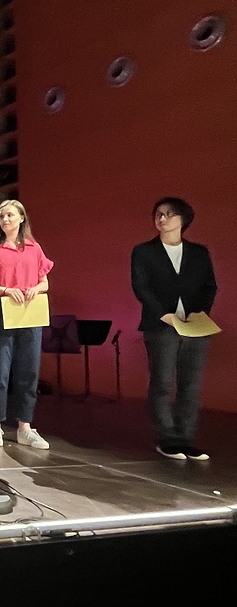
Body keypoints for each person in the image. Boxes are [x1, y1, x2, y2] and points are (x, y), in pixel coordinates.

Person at [130, 197, 217, 461]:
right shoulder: (144, 252)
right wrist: (164, 314)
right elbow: (141, 287)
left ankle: (185, 438)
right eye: (159, 214)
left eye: (169, 214)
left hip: (195, 326)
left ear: (183, 219)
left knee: (191, 384)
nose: (162, 218)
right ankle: (167, 439)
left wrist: (198, 313)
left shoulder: (199, 253)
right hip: (161, 326)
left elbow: (209, 286)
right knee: (162, 383)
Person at [0, 200, 53, 450]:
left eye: (10, 215)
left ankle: (25, 426)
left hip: (29, 311)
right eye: (1, 216)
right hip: (0, 309)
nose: (5, 219)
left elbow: (45, 283)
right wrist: (6, 290)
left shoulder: (34, 248)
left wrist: (36, 289)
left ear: (21, 218)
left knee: (29, 370)